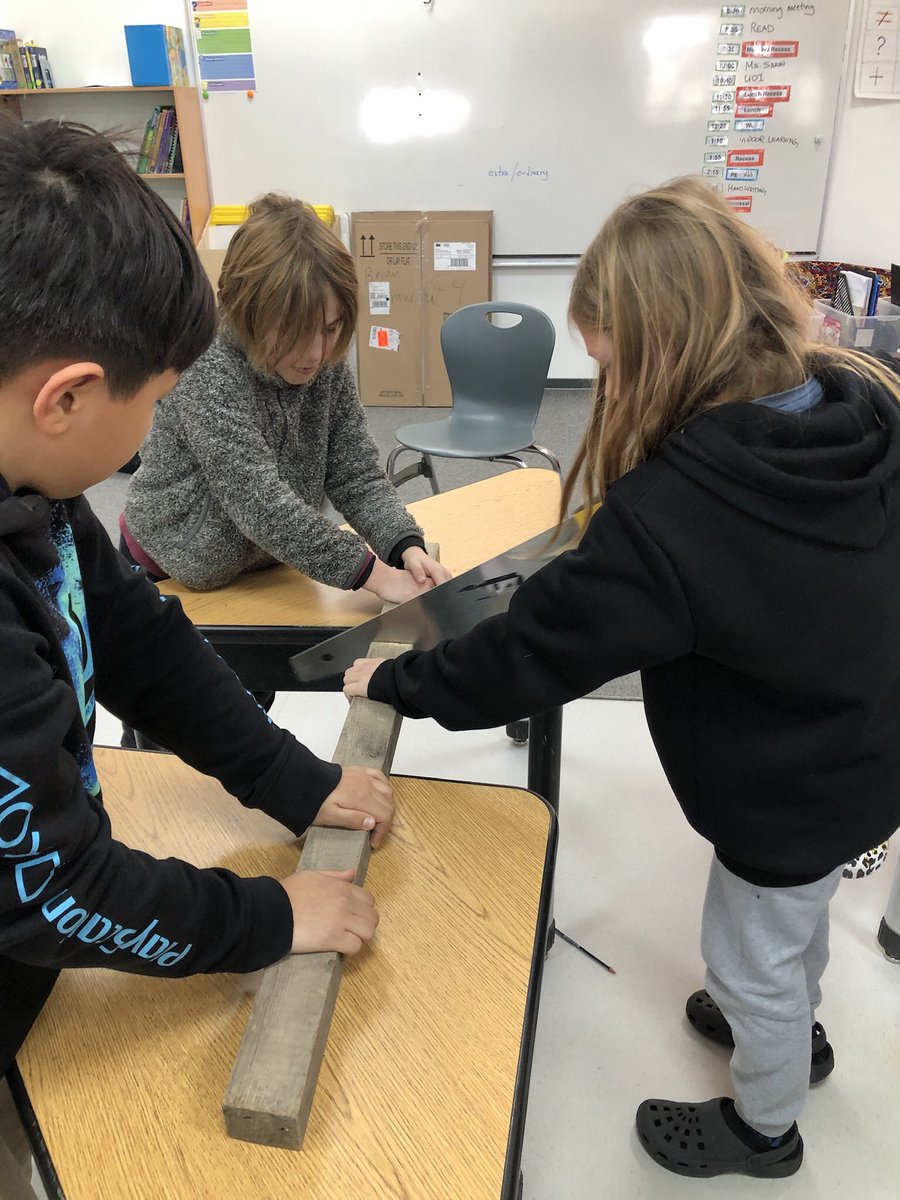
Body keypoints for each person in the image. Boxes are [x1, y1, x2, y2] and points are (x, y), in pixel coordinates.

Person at [343, 176, 900, 1180]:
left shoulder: (678, 516)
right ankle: (789, 1029)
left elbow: (530, 652)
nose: (597, 379)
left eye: (602, 359)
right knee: (793, 920)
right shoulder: (865, 407)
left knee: (753, 950)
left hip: (788, 790)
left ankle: (766, 1128)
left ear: (657, 350)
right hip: (865, 746)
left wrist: (397, 682)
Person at [0, 119, 393, 1197]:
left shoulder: (36, 488)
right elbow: (50, 888)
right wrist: (268, 918)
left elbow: (138, 643)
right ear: (68, 395)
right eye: (154, 402)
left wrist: (295, 782)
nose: (152, 431)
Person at [121, 193, 450, 604]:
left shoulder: (326, 364)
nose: (315, 354)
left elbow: (355, 473)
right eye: (295, 332)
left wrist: (403, 546)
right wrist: (375, 576)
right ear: (247, 311)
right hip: (170, 567)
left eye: (330, 329)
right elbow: (261, 504)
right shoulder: (205, 368)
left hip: (270, 562)